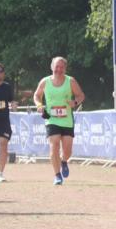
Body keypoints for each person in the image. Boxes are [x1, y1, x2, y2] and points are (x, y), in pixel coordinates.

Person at [33, 57, 86, 186]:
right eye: (57, 66)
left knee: (67, 150)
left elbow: (81, 95)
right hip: (51, 119)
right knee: (54, 144)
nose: (59, 69)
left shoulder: (70, 81)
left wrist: (74, 102)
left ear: (65, 68)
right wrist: (39, 106)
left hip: (67, 120)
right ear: (52, 67)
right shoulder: (45, 82)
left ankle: (64, 161)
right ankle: (57, 175)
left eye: (62, 67)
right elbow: (36, 95)